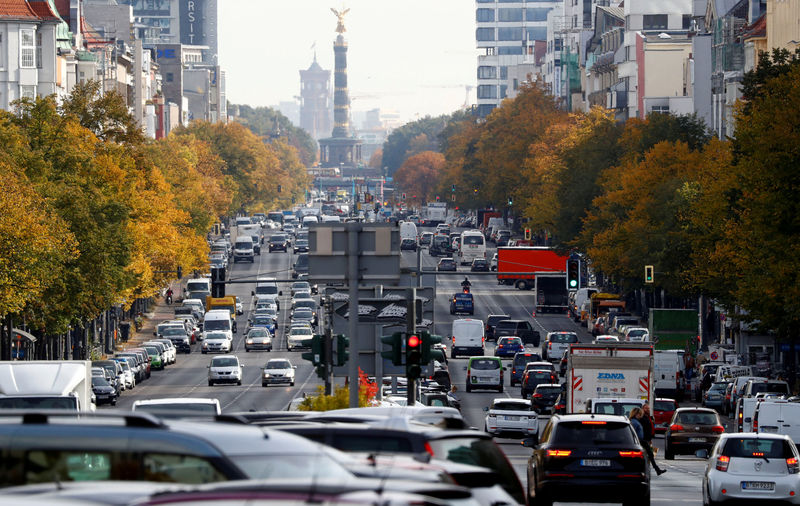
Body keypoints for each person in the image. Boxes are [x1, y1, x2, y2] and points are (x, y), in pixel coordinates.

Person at [630, 406, 666, 476]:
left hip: (643, 440)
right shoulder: (634, 422)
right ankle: (655, 469)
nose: (640, 416)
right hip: (641, 441)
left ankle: (656, 469)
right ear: (635, 414)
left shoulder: (637, 420)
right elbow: (633, 433)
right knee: (648, 455)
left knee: (650, 454)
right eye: (639, 414)